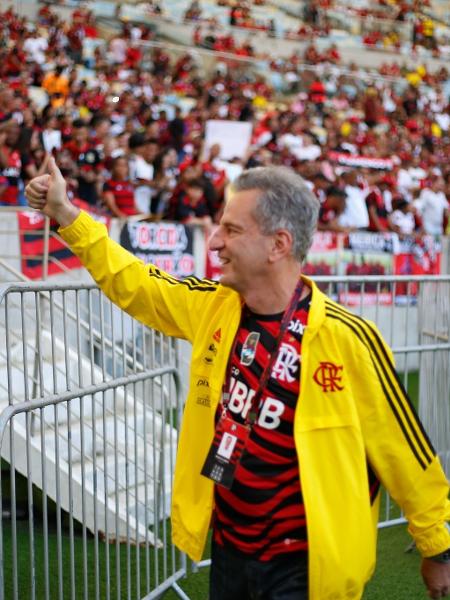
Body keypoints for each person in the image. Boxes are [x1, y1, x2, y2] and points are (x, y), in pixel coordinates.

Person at [26, 161, 450, 600]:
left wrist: (437, 547)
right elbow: (136, 283)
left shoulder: (348, 339)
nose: (214, 242)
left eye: (231, 230)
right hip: (230, 551)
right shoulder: (213, 307)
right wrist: (66, 214)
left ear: (278, 245)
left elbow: (404, 449)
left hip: (307, 565)